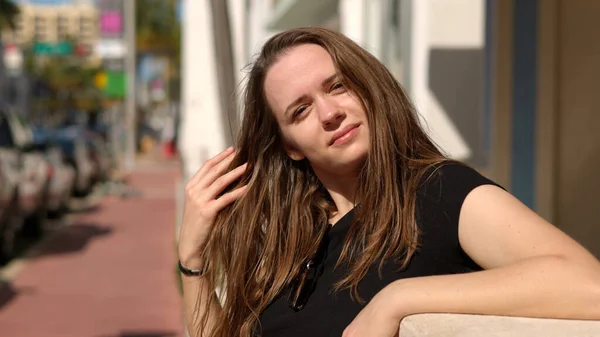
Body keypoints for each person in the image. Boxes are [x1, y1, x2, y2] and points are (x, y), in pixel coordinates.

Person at [177, 27, 600, 337]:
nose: (329, 113)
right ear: (291, 147)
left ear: (367, 87)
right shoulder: (294, 238)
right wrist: (192, 260)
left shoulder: (437, 192)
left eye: (338, 86)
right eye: (300, 111)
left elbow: (588, 286)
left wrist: (397, 299)